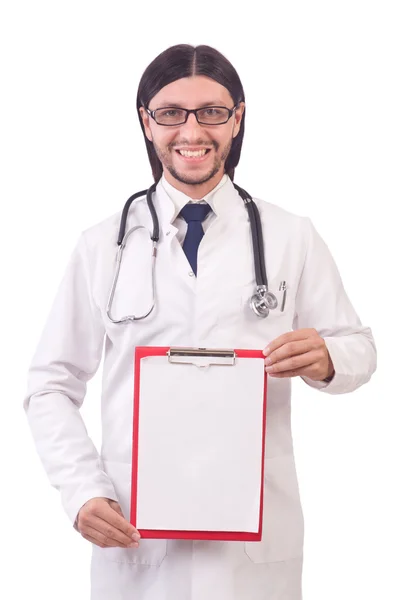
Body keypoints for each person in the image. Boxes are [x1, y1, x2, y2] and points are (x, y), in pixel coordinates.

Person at [24, 44, 377, 600]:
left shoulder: (291, 235)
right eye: (171, 113)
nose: (192, 130)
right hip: (137, 534)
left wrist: (330, 359)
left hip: (252, 544)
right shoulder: (101, 246)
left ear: (237, 118)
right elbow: (50, 384)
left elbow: (358, 347)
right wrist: (81, 491)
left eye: (212, 112)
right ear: (146, 122)